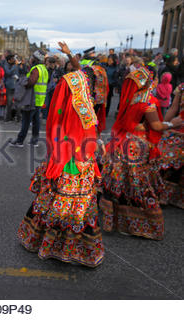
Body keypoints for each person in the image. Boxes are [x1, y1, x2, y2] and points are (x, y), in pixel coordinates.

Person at [17, 48, 105, 267]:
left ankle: (44, 242)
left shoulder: (80, 91)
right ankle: (62, 247)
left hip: (75, 156)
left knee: (59, 200)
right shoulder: (80, 92)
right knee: (66, 202)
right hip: (74, 158)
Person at [100, 66, 182, 240]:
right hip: (138, 146)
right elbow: (157, 126)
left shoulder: (132, 97)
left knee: (122, 183)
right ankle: (139, 223)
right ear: (150, 81)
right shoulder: (149, 101)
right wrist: (173, 123)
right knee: (139, 184)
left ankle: (117, 221)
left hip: (124, 143)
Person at [10, 50, 48, 147]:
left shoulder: (36, 69)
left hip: (32, 99)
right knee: (36, 122)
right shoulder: (44, 69)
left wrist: (22, 81)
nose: (31, 59)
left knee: (26, 121)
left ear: (36, 59)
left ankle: (20, 141)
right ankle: (34, 141)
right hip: (39, 99)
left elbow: (31, 82)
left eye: (33, 57)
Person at [157, 83, 184, 209]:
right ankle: (163, 194)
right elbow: (173, 108)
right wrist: (164, 126)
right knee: (164, 156)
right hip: (178, 128)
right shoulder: (182, 87)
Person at [2, 54, 19, 121]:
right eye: (12, 59)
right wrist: (15, 66)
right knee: (9, 103)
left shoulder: (15, 65)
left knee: (17, 102)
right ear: (9, 60)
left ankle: (17, 117)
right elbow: (8, 72)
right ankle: (8, 117)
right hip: (9, 86)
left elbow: (19, 72)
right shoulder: (6, 65)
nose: (14, 60)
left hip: (16, 85)